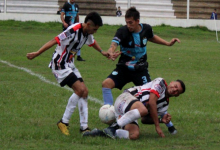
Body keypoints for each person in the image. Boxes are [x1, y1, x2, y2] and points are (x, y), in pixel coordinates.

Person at [26, 12, 108, 136]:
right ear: (88, 24)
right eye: (95, 29)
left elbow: (92, 42)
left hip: (69, 63)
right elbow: (55, 40)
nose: (95, 32)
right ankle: (63, 122)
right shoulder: (73, 30)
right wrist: (37, 53)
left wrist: (102, 52)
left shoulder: (88, 32)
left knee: (84, 92)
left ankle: (84, 128)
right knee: (80, 90)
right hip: (60, 64)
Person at [102, 6, 180, 134]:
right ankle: (109, 113)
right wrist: (111, 51)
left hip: (140, 69)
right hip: (124, 68)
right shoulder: (122, 31)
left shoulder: (146, 29)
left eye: (131, 23)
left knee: (153, 97)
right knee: (106, 84)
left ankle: (169, 125)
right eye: (126, 22)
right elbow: (114, 43)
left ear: (138, 21)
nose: (128, 25)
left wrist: (167, 43)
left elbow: (152, 37)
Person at [84, 77, 185, 140]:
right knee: (144, 109)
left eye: (177, 91)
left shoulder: (164, 105)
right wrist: (157, 126)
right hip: (125, 98)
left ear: (177, 96)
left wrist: (160, 120)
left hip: (128, 114)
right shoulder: (161, 83)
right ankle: (113, 127)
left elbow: (144, 119)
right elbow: (152, 102)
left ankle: (101, 133)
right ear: (171, 82)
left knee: (134, 135)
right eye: (175, 86)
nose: (174, 90)